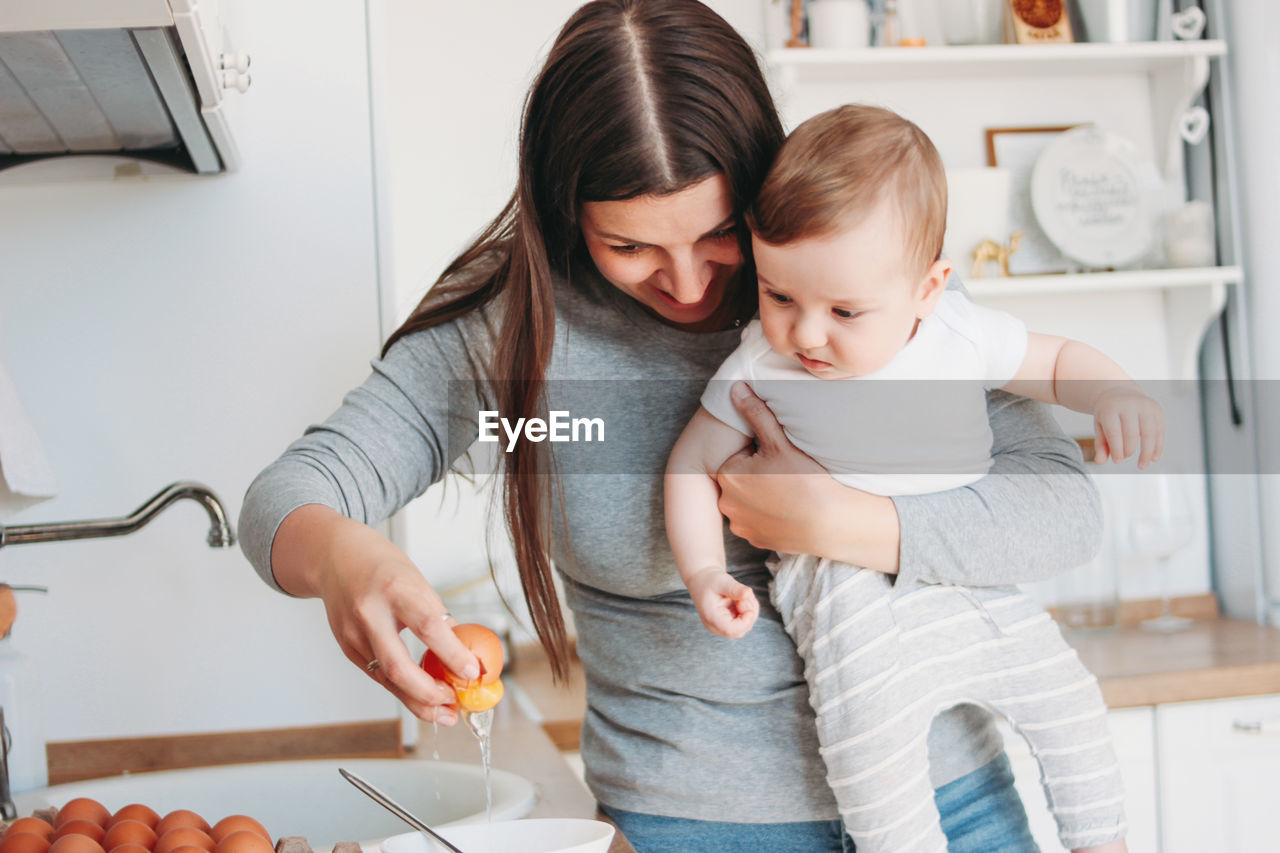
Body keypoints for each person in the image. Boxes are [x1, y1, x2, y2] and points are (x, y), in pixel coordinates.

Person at [238, 2, 1104, 850]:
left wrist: (841, 523)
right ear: (564, 208)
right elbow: (286, 497)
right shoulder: (514, 332)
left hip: (953, 800)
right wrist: (344, 556)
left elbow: (1065, 509)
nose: (688, 284)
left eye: (721, 233)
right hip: (694, 828)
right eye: (632, 247)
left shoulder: (855, 271)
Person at [665, 104, 1147, 853]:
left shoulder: (958, 333)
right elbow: (692, 462)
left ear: (929, 287)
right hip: (848, 602)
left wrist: (1114, 391)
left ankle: (1104, 842)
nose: (807, 333)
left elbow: (1056, 362)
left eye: (845, 309)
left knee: (1070, 706)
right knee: (874, 769)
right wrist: (702, 571)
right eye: (780, 295)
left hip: (971, 581)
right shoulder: (761, 360)